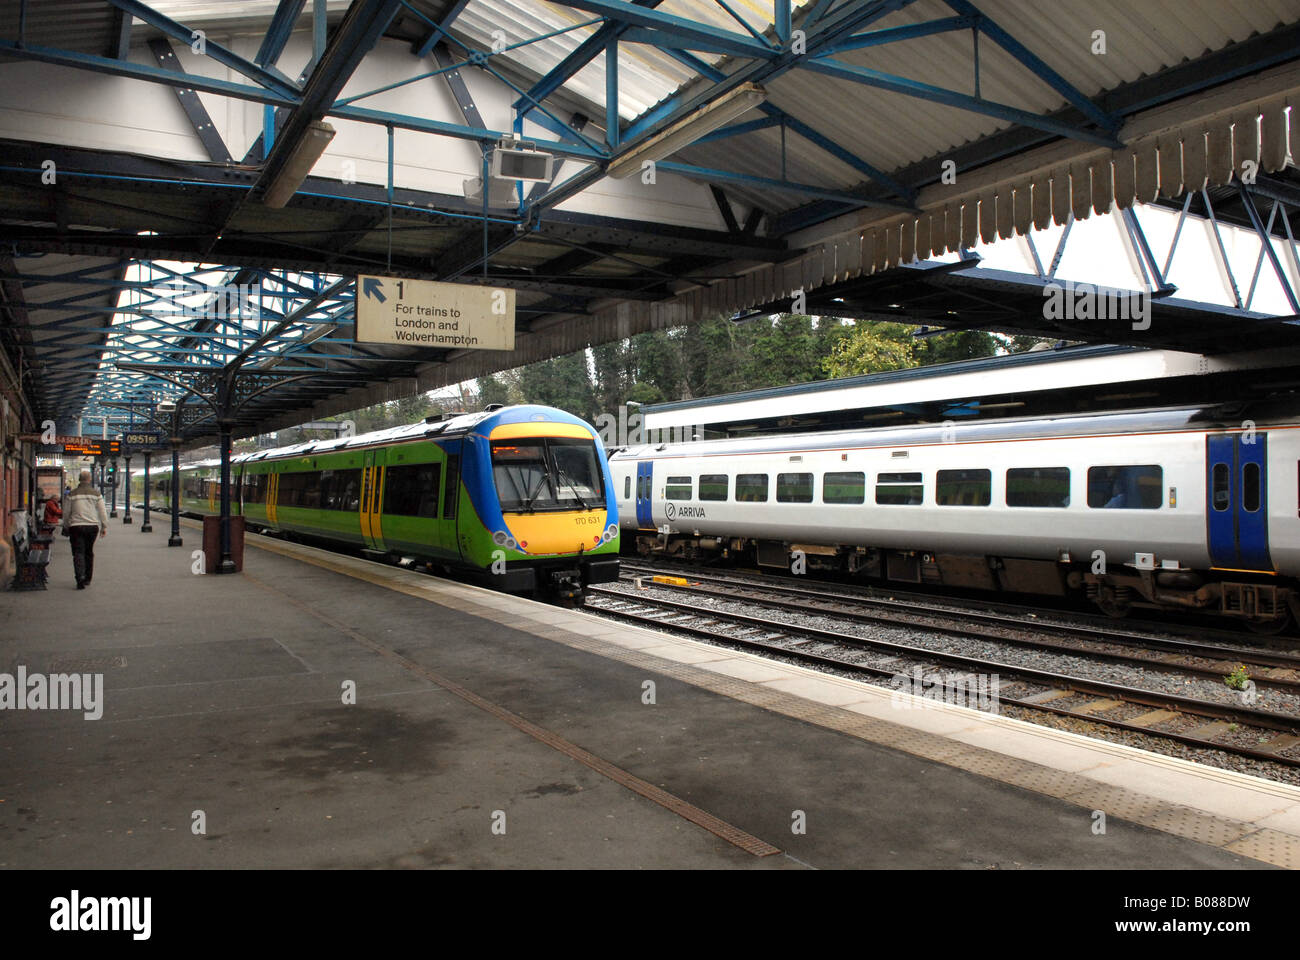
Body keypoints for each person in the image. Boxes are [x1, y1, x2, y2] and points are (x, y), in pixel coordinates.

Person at [63, 470, 108, 589]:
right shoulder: (96, 494)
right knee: (88, 552)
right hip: (92, 527)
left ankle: (80, 578)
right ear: (90, 480)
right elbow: (102, 511)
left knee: (78, 552)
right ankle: (88, 578)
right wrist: (104, 526)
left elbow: (66, 512)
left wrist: (66, 525)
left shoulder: (72, 494)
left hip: (76, 526)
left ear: (79, 479)